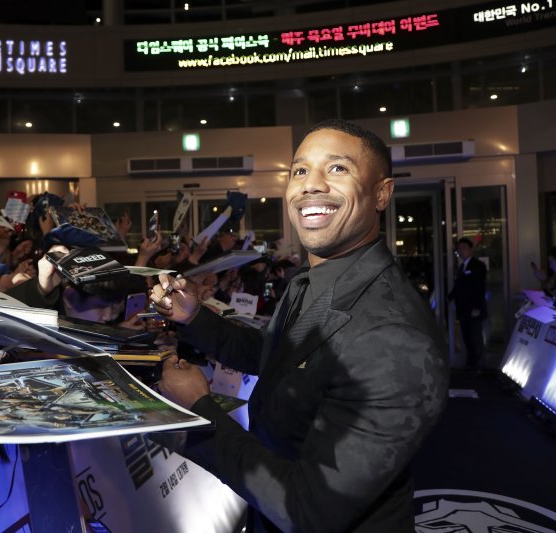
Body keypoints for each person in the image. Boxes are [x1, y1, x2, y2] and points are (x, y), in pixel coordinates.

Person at [150, 118, 449, 532]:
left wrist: (199, 413)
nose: (311, 185)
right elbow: (276, 358)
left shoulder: (394, 337)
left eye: (338, 168)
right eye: (300, 170)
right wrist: (194, 318)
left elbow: (309, 511)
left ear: (382, 193)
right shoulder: (312, 282)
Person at [449, 237, 488, 371]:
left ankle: (479, 367)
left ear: (471, 249)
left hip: (473, 310)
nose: (461, 251)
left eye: (464, 248)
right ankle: (471, 364)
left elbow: (480, 287)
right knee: (467, 338)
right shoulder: (461, 267)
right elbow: (458, 287)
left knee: (476, 337)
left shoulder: (477, 266)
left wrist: (477, 307)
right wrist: (448, 297)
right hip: (464, 310)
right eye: (459, 249)